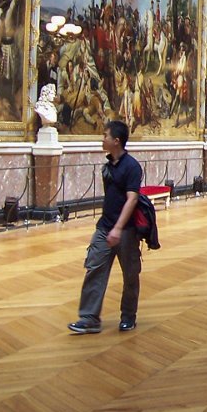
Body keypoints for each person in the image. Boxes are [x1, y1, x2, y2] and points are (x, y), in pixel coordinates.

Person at [68, 120, 143, 335]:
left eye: (105, 135)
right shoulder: (108, 165)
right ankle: (89, 318)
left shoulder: (132, 167)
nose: (102, 139)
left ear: (116, 141)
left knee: (130, 275)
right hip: (104, 228)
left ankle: (128, 316)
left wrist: (118, 228)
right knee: (94, 269)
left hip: (126, 230)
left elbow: (132, 199)